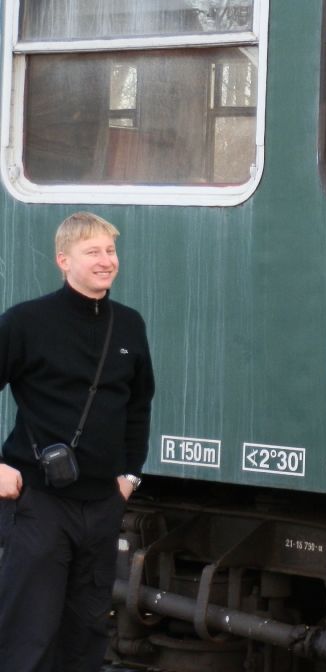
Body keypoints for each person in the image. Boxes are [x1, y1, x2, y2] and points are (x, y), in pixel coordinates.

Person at [0, 211, 155, 672]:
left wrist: (129, 477)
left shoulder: (129, 325)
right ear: (63, 260)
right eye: (92, 252)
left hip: (103, 504)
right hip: (38, 503)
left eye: (110, 250)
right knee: (29, 634)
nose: (106, 260)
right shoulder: (25, 322)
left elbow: (139, 406)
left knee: (87, 633)